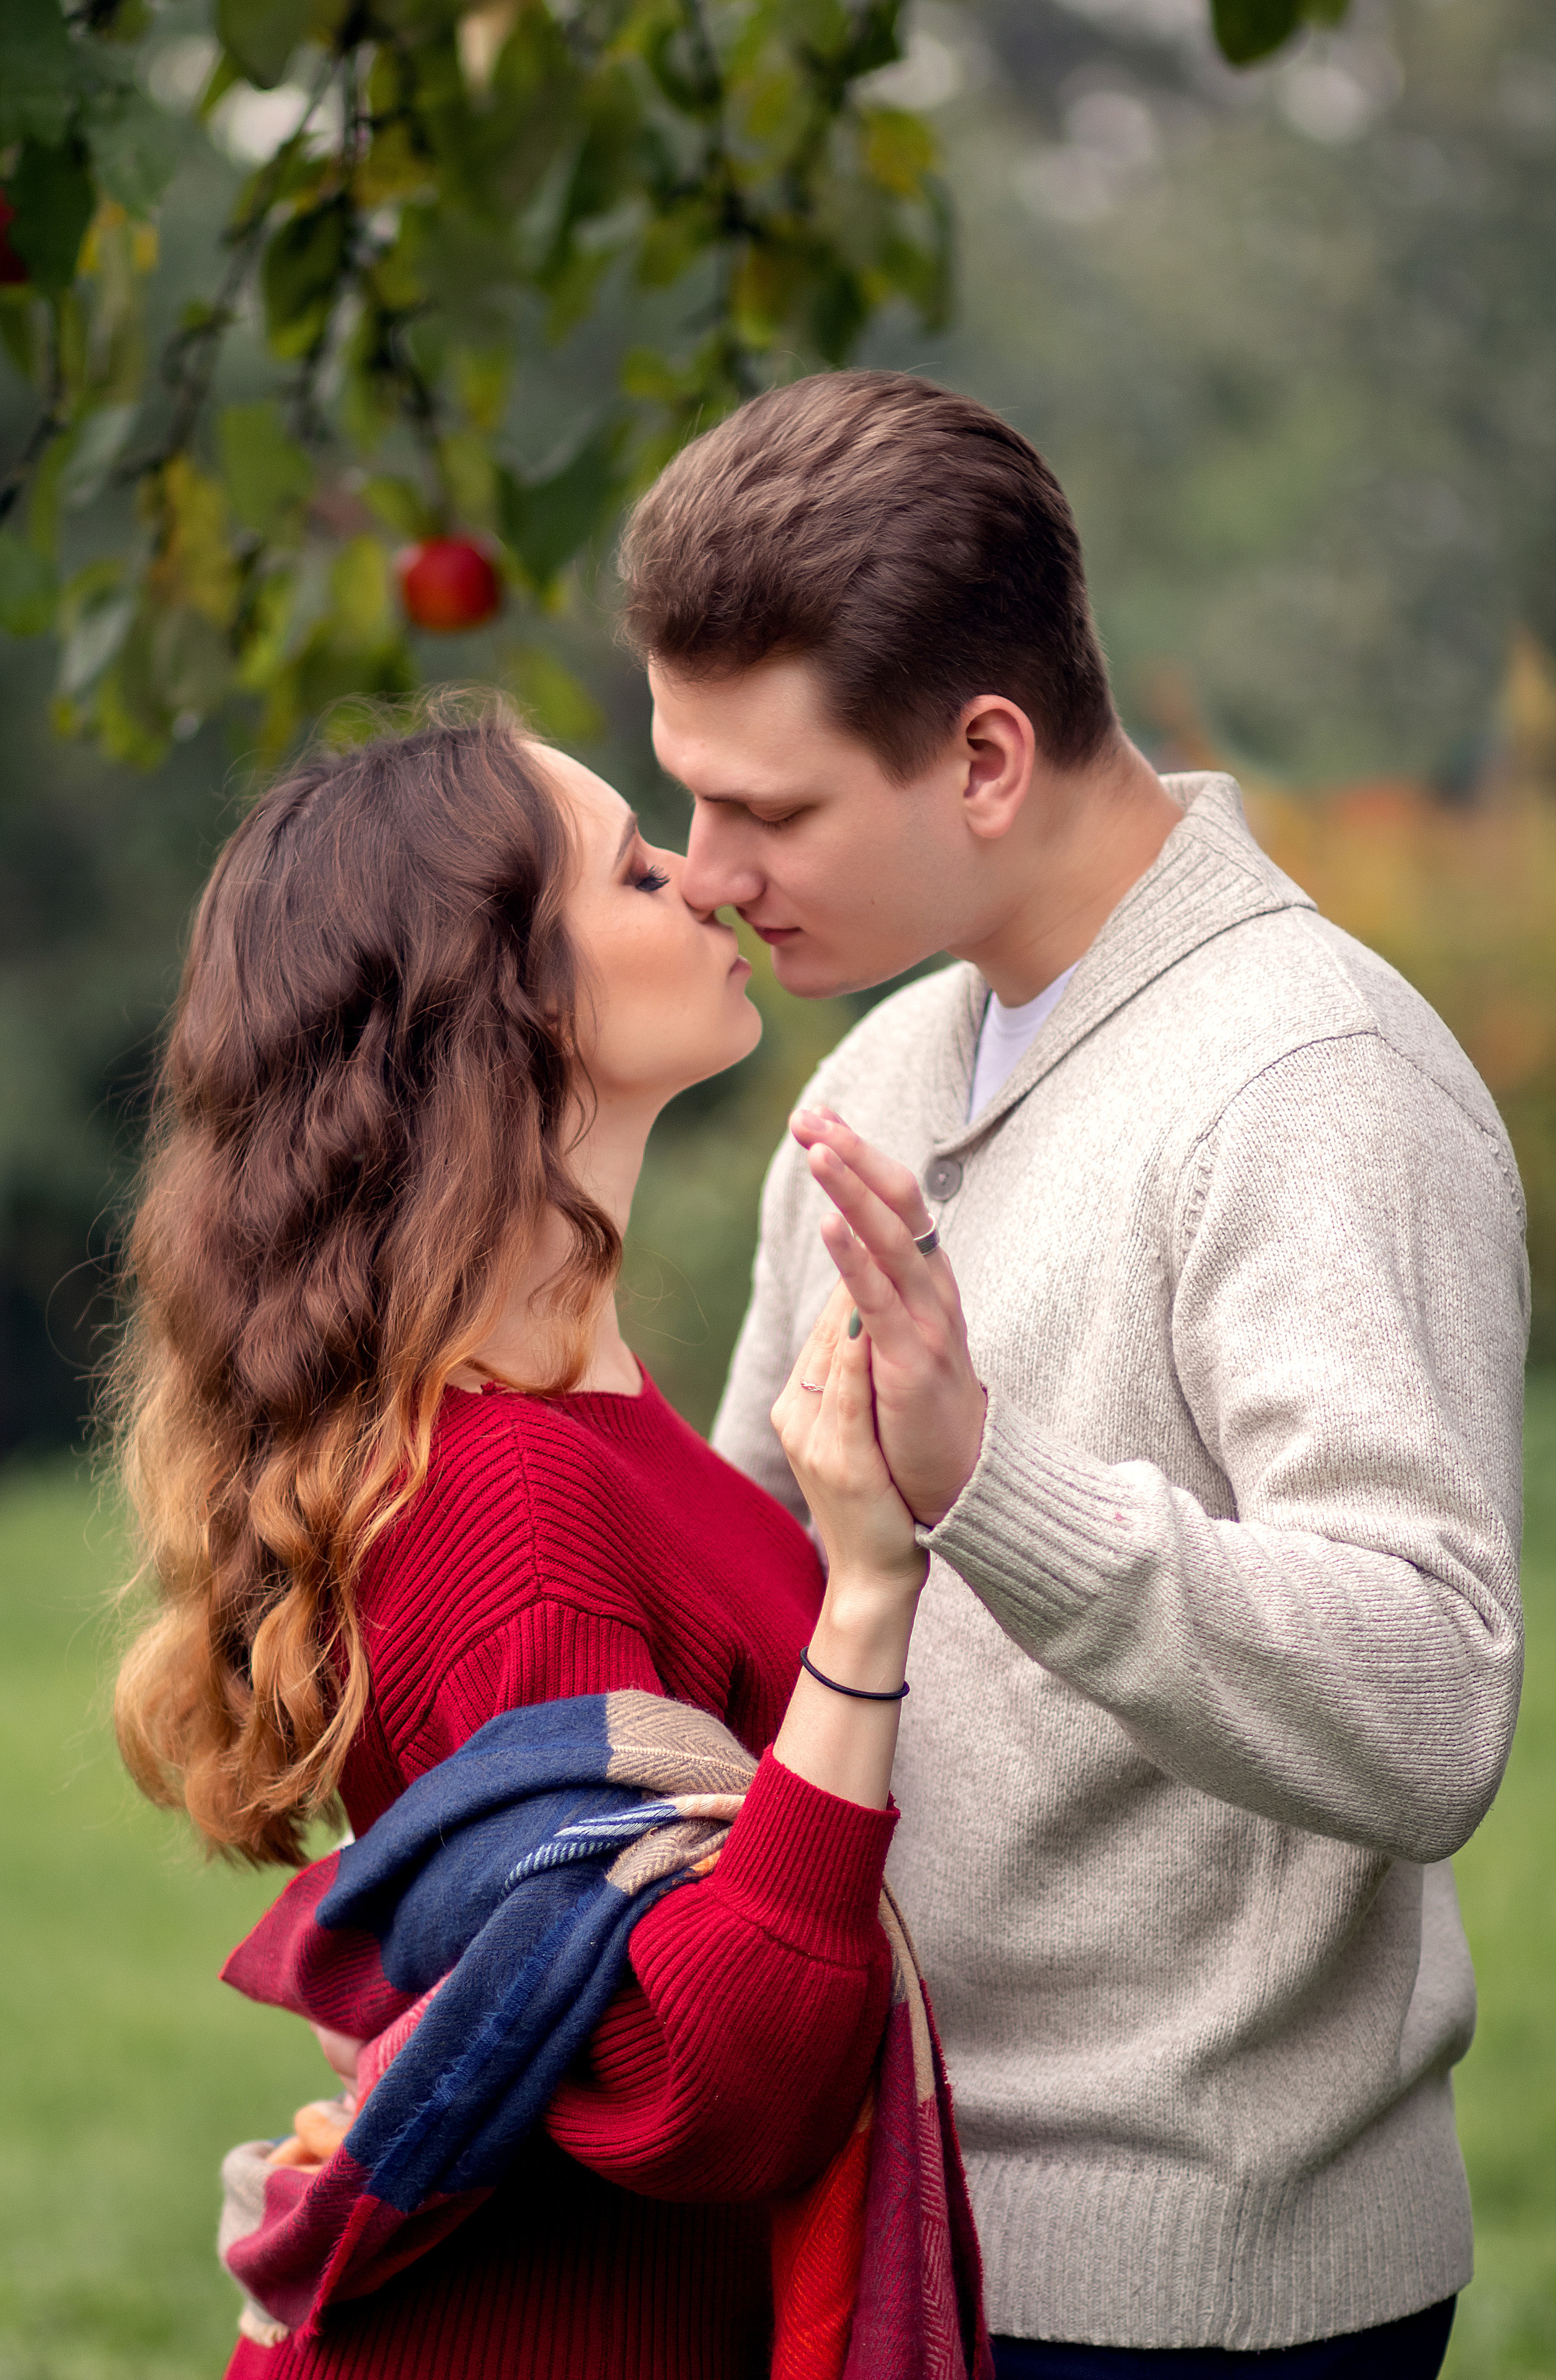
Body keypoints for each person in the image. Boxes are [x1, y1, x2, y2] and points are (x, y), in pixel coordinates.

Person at [617, 370, 1528, 2378]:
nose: (702, 869)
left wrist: (987, 1487)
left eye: (767, 809)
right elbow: (769, 1615)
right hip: (877, 2214)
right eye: (691, 800)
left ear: (989, 758)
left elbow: (1435, 1704)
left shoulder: (1315, 1089)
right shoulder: (881, 1072)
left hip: (1196, 2299)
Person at [107, 698, 952, 2380]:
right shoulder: (513, 1500)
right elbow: (700, 2079)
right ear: (514, 1000)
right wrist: (866, 1595)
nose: (708, 881)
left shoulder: (583, 1429)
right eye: (638, 871)